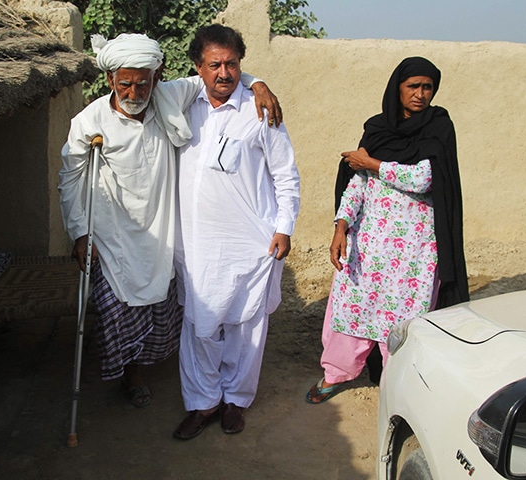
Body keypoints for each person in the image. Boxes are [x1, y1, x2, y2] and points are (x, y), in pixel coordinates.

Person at [58, 33, 281, 408]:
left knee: (162, 311)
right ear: (111, 79)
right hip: (113, 232)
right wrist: (80, 232)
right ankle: (132, 376)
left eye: (142, 83)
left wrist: (257, 83)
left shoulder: (169, 97)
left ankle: (151, 367)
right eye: (125, 83)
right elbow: (69, 178)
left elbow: (218, 73)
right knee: (116, 311)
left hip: (162, 229)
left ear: (157, 77)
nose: (134, 91)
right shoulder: (89, 121)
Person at [305, 56, 468, 404]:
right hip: (368, 245)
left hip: (415, 251)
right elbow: (358, 183)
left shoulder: (439, 126)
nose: (421, 94)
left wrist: (373, 163)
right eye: (413, 86)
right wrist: (341, 227)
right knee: (352, 309)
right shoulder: (377, 129)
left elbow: (426, 178)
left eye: (428, 87)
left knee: (404, 320)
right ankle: (336, 373)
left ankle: (398, 386)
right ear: (398, 88)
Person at [172, 24, 300, 439]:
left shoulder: (261, 111)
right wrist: (256, 78)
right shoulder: (183, 101)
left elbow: (286, 175)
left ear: (240, 64)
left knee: (247, 328)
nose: (224, 73)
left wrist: (284, 228)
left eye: (233, 64)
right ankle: (202, 403)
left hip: (251, 241)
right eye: (215, 64)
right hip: (196, 242)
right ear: (198, 67)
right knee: (200, 326)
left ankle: (235, 401)